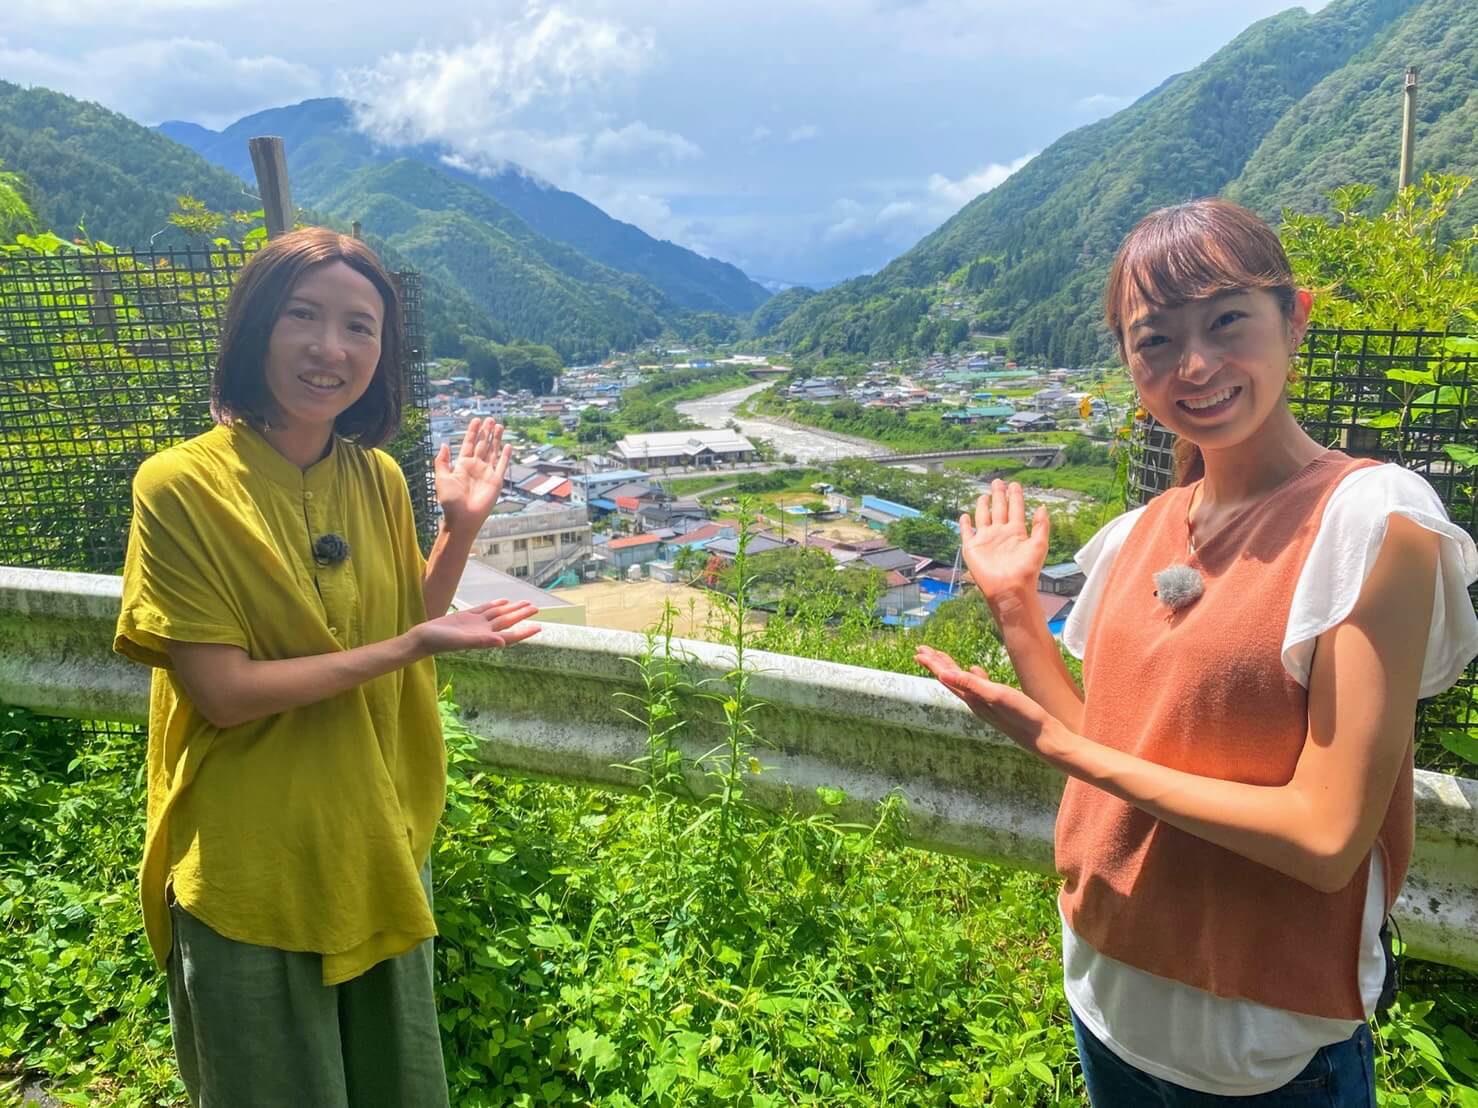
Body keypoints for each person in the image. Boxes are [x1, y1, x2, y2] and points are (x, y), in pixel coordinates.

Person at [915, 198, 1478, 1104]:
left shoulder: (1373, 520)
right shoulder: (1138, 533)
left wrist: (1060, 750)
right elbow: (1108, 746)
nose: (1197, 365)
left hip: (1262, 1051)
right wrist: (1016, 606)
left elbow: (1327, 838)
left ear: (1294, 320)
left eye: (1226, 323)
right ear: (1130, 363)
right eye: (1157, 340)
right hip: (1106, 999)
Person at [113, 227, 540, 1108]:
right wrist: (414, 647)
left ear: (381, 354)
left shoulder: (378, 475)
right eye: (303, 315)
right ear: (256, 327)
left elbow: (401, 623)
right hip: (252, 855)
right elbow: (224, 694)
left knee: (392, 1084)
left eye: (360, 326)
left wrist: (460, 528)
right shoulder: (180, 485)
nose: (330, 348)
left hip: (376, 829)